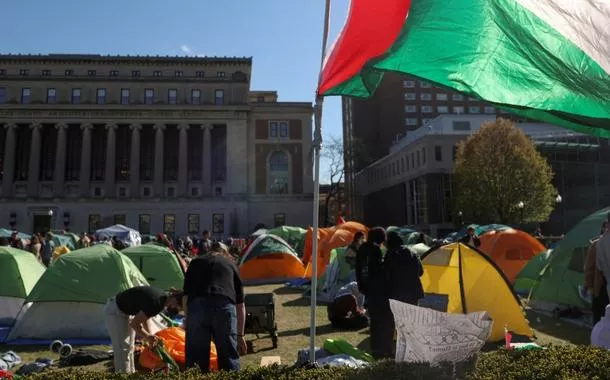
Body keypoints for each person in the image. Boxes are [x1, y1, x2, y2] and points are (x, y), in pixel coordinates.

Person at [183, 241, 247, 372]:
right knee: (228, 357)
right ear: (225, 253)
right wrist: (240, 335)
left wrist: (187, 320)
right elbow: (240, 305)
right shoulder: (230, 264)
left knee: (196, 359)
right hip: (223, 306)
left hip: (197, 307)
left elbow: (185, 297)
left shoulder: (195, 263)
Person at [103, 286, 183, 374]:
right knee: (122, 349)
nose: (176, 308)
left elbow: (146, 317)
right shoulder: (157, 302)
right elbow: (135, 324)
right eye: (178, 306)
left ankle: (130, 374)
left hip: (127, 313)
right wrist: (148, 336)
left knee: (130, 347)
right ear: (174, 299)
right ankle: (122, 375)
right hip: (116, 312)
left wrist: (151, 335)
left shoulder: (161, 299)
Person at [356, 227, 391, 359]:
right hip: (377, 291)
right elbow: (377, 272)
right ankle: (381, 349)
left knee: (374, 320)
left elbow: (358, 269)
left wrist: (361, 286)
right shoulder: (375, 251)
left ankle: (375, 347)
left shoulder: (362, 249)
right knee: (381, 319)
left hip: (366, 288)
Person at [385, 231, 424, 305]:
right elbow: (421, 272)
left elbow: (386, 275)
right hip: (414, 292)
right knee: (413, 315)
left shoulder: (390, 254)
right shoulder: (412, 252)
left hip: (397, 293)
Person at [585, 221, 610, 323]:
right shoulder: (597, 244)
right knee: (601, 318)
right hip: (601, 287)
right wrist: (590, 286)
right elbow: (589, 267)